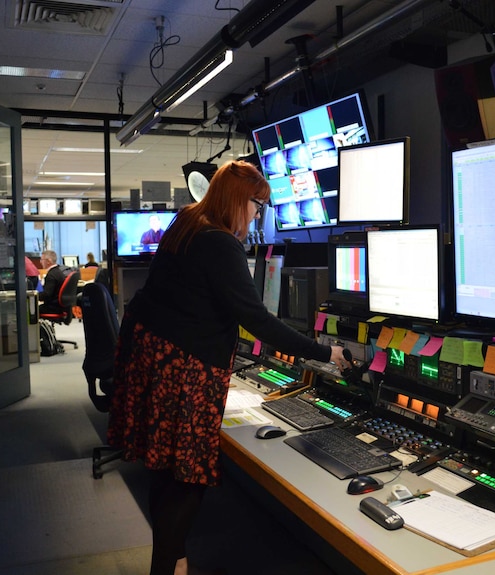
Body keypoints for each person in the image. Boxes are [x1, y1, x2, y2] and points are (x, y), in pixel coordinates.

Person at [108, 160, 348, 575]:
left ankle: (172, 560)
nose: (258, 216)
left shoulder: (188, 221)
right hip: (186, 370)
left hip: (155, 361)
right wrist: (326, 354)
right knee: (188, 475)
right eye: (258, 206)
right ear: (241, 199)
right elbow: (256, 319)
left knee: (165, 470)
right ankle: (167, 565)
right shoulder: (219, 242)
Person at [38, 250, 67, 315]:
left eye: (42, 259)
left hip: (52, 308)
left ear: (48, 261)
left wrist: (34, 296)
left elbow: (46, 295)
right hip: (59, 306)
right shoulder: (58, 272)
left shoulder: (51, 275)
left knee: (30, 309)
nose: (40, 262)